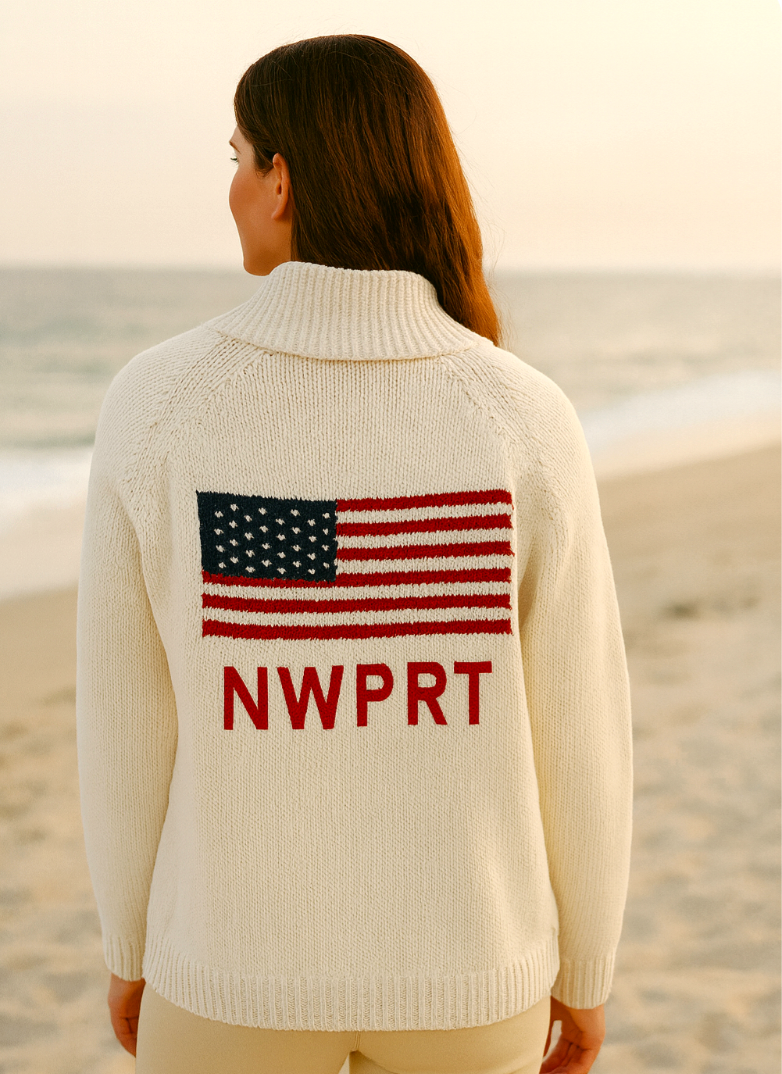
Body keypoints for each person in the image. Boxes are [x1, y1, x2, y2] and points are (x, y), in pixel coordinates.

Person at [76, 34, 632, 1074]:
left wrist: (129, 945)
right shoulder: (521, 415)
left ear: (281, 177)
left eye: (237, 156)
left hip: (227, 978)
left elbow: (122, 721)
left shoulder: (155, 404)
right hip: (473, 984)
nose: (232, 187)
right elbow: (581, 729)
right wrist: (586, 970)